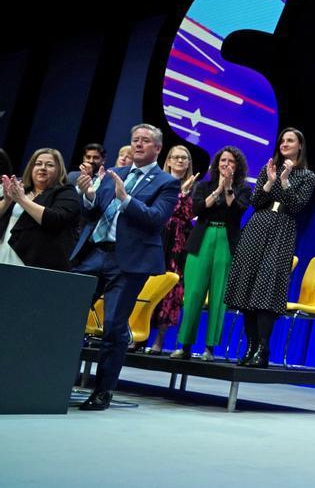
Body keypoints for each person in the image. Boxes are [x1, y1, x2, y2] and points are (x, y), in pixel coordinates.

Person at [71, 124, 180, 411]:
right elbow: (93, 212)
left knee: (113, 327)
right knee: (67, 312)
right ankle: (57, 378)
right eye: (135, 140)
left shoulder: (166, 182)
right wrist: (89, 196)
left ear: (157, 148)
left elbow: (156, 218)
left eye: (145, 141)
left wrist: (126, 199)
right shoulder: (115, 174)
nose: (138, 145)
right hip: (96, 253)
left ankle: (102, 390)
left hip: (128, 262)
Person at [224, 128, 315, 368]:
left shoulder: (307, 176)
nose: (284, 144)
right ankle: (251, 346)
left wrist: (284, 182)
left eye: (290, 140)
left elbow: (297, 206)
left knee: (266, 289)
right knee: (248, 286)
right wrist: (271, 181)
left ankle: (264, 348)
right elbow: (254, 202)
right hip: (257, 226)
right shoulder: (269, 169)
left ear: (300, 146)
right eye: (282, 140)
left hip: (282, 229)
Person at [170, 146, 251, 361]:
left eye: (231, 162)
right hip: (201, 240)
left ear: (237, 166)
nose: (226, 165)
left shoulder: (243, 189)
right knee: (194, 294)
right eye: (223, 161)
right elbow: (196, 210)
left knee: (218, 296)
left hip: (226, 240)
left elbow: (236, 211)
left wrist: (228, 188)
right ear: (216, 165)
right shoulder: (204, 186)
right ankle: (184, 345)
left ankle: (209, 348)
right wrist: (217, 191)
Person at [145, 145, 198, 354]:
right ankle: (138, 336)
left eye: (184, 158)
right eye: (175, 157)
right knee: (148, 284)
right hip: (157, 236)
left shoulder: (194, 187)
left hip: (179, 242)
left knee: (171, 289)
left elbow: (189, 215)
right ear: (167, 161)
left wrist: (184, 194)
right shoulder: (157, 183)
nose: (180, 161)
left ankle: (159, 341)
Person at [0, 148, 81, 270]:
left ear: (59, 170)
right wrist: (7, 200)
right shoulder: (21, 189)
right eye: (38, 164)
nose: (43, 168)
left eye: (49, 165)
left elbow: (55, 220)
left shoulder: (66, 192)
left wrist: (22, 200)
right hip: (4, 251)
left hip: (34, 261)